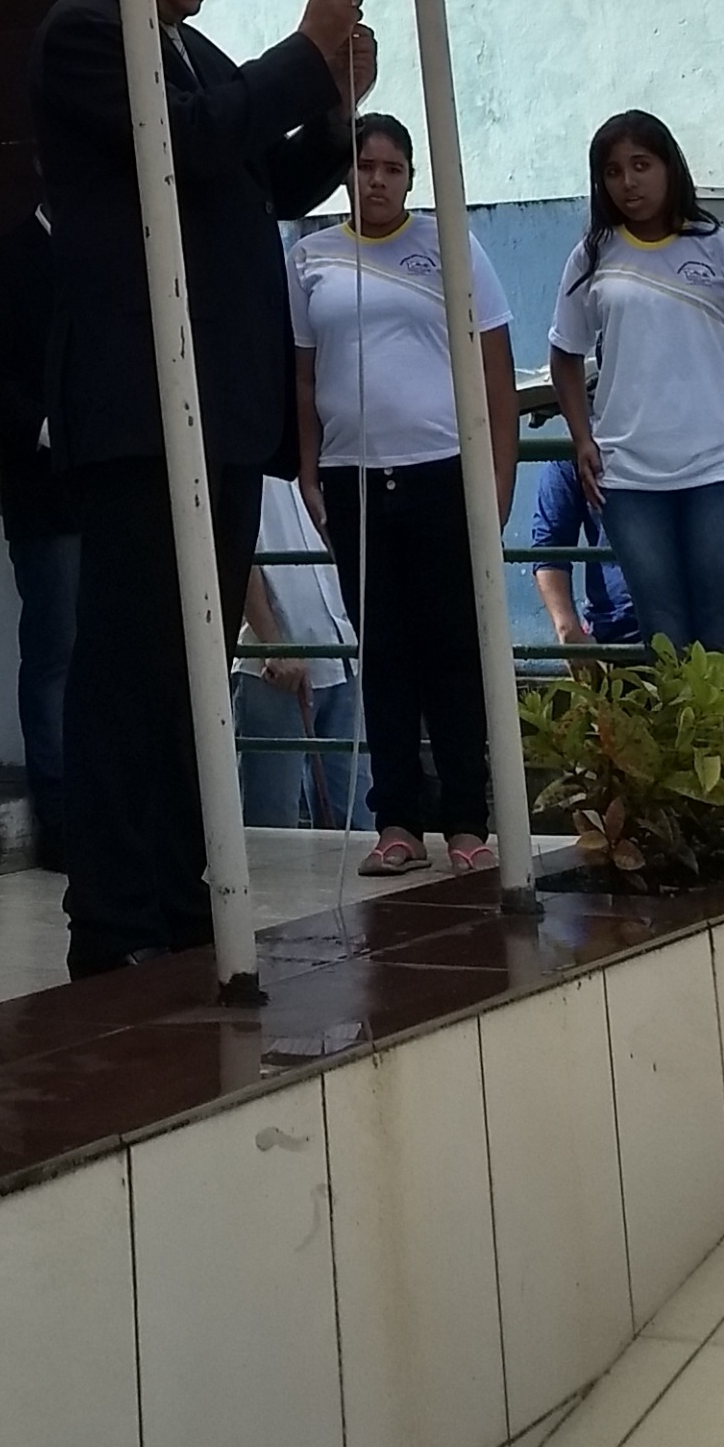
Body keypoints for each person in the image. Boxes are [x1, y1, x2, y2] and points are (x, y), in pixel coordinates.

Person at [33, 0, 372, 976]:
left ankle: (178, 894)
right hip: (140, 398)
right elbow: (186, 138)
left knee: (195, 664)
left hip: (214, 398)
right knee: (131, 663)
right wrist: (304, 52)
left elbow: (263, 175)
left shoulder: (192, 47)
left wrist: (334, 107)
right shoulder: (87, 30)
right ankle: (114, 914)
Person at [292, 113, 517, 876]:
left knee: (452, 650)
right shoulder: (310, 257)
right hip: (354, 480)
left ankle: (467, 822)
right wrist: (310, 470)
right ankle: (396, 822)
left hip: (440, 472)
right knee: (382, 654)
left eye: (392, 168)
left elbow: (494, 367)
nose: (377, 181)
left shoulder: (451, 247)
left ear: (412, 177)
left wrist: (498, 480)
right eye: (364, 167)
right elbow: (303, 375)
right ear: (345, 175)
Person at [547, 111, 724, 654]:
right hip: (628, 478)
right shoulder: (592, 256)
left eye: (641, 165)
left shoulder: (722, 248)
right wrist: (583, 437)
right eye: (613, 171)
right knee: (663, 634)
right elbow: (564, 354)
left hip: (722, 470)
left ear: (669, 167)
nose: (628, 182)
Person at [0, 207, 78, 868]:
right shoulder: (2, 260)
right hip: (46, 488)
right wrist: (47, 428)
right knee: (55, 648)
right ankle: (58, 814)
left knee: (113, 653)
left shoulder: (119, 250)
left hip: (117, 488)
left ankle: (113, 806)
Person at [235, 475, 367, 828]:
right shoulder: (246, 468)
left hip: (344, 654)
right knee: (271, 821)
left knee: (357, 821)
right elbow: (233, 551)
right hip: (273, 667)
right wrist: (272, 642)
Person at [530, 451, 637, 650]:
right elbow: (550, 546)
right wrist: (569, 631)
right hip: (615, 633)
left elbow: (549, 544)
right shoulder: (577, 452)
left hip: (684, 629)